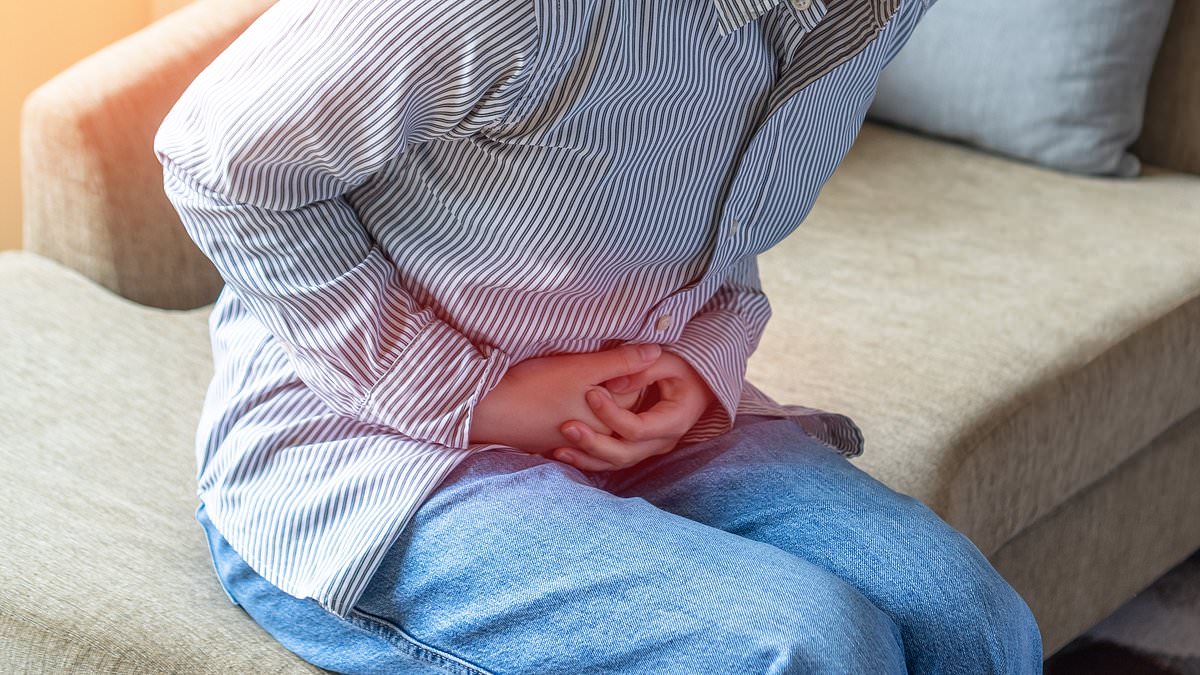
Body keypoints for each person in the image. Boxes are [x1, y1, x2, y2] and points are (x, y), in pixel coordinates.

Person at [155, 0, 1044, 671]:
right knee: (808, 645)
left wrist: (702, 358)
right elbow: (216, 162)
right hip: (366, 454)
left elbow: (715, 210)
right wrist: (471, 395)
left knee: (970, 619)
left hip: (632, 423)